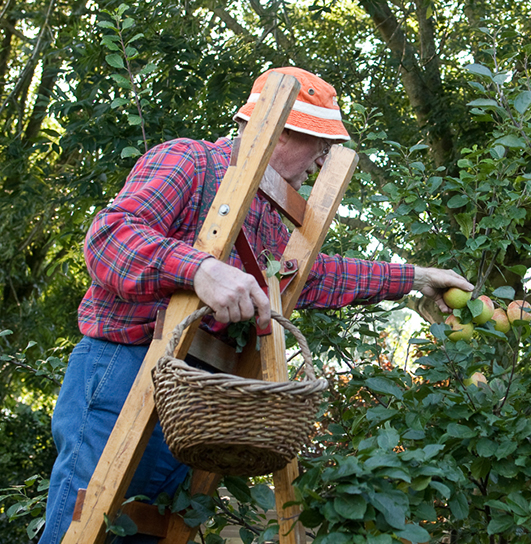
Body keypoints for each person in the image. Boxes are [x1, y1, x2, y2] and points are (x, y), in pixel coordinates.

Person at [39, 67, 473, 544]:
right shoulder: (191, 161)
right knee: (84, 526)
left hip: (196, 396)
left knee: (146, 535)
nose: (318, 164)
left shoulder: (269, 215)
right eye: (319, 148)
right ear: (287, 131)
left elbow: (314, 277)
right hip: (124, 369)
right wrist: (201, 269)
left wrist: (415, 277)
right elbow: (109, 239)